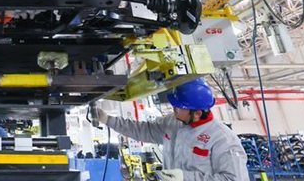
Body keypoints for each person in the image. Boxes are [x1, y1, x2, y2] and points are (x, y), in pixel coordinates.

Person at [96, 78, 249, 181]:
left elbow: (233, 179)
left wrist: (185, 177)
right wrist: (108, 120)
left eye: (179, 107)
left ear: (197, 113)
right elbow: (143, 130)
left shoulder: (223, 139)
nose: (173, 108)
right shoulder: (173, 122)